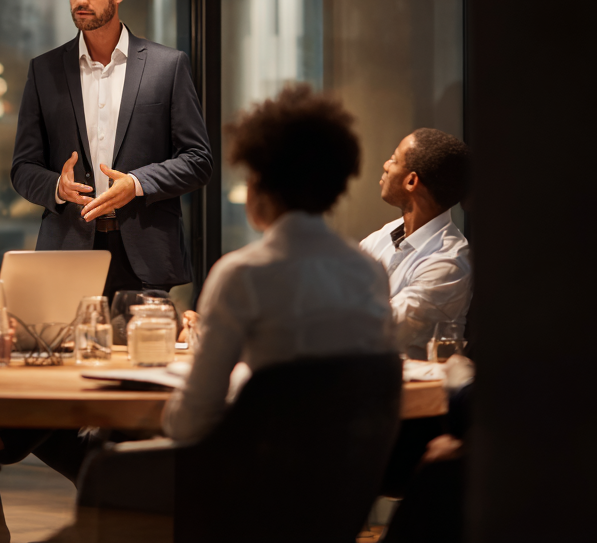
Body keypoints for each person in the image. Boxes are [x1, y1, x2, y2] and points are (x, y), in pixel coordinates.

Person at [162, 85, 394, 444]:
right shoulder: (368, 272)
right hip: (343, 484)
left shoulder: (242, 274)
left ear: (259, 186)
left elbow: (189, 424)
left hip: (250, 483)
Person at [10, 0, 211, 296]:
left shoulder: (168, 66)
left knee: (146, 353)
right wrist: (58, 186)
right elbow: (23, 168)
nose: (79, 0)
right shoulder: (44, 70)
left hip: (146, 256)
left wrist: (135, 183)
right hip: (68, 251)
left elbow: (198, 161)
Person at [360, 129, 473, 360]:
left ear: (411, 181)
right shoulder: (384, 235)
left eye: (393, 159)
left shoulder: (451, 260)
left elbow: (383, 327)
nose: (385, 165)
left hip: (412, 391)